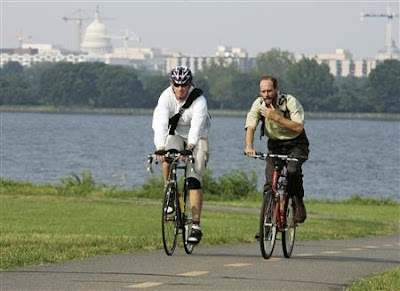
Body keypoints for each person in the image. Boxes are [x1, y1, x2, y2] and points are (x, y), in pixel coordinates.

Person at [244, 75, 310, 238]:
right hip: (275, 144)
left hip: (296, 143)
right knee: (269, 184)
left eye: (269, 90)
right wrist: (249, 147)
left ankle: (297, 201)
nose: (266, 94)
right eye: (263, 91)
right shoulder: (258, 104)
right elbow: (251, 126)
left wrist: (276, 117)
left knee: (293, 170)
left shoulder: (289, 102)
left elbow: (298, 127)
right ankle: (266, 225)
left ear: (276, 90)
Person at [152, 66, 210, 245]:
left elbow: (197, 126)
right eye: (176, 85)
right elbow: (160, 123)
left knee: (194, 178)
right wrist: (160, 147)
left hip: (198, 137)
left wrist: (190, 148)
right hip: (176, 133)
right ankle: (169, 191)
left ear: (190, 84)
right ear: (171, 84)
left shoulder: (199, 101)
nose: (180, 89)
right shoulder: (165, 97)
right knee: (168, 155)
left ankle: (196, 226)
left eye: (184, 85)